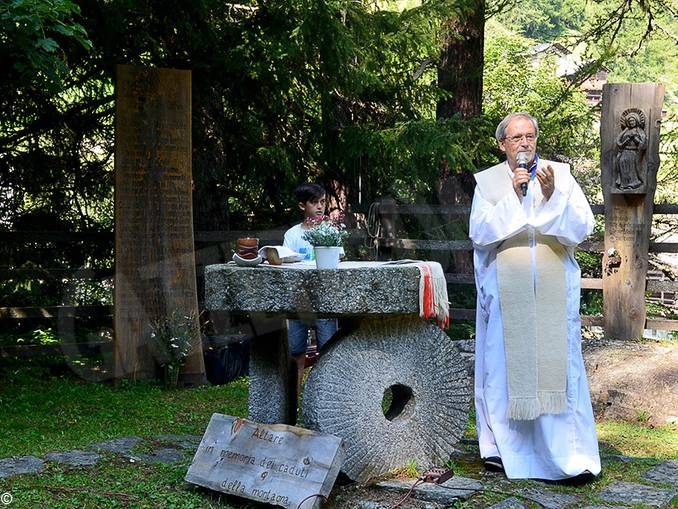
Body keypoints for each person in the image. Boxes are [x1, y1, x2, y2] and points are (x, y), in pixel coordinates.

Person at [469, 112, 601, 481]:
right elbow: (479, 233)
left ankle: (565, 455)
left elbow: (581, 228)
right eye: (516, 138)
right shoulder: (490, 183)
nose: (524, 143)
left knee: (557, 366)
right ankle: (501, 449)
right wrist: (513, 196)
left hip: (551, 285)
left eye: (529, 136)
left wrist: (551, 196)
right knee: (504, 367)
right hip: (506, 288)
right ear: (503, 145)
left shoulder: (560, 176)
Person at [283, 183, 339, 392]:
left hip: (325, 298)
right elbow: (286, 262)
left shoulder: (330, 232)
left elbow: (338, 258)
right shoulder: (292, 235)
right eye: (314, 202)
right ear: (302, 205)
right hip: (299, 299)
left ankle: (324, 395)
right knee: (296, 350)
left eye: (322, 202)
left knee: (328, 350)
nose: (319, 207)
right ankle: (294, 397)